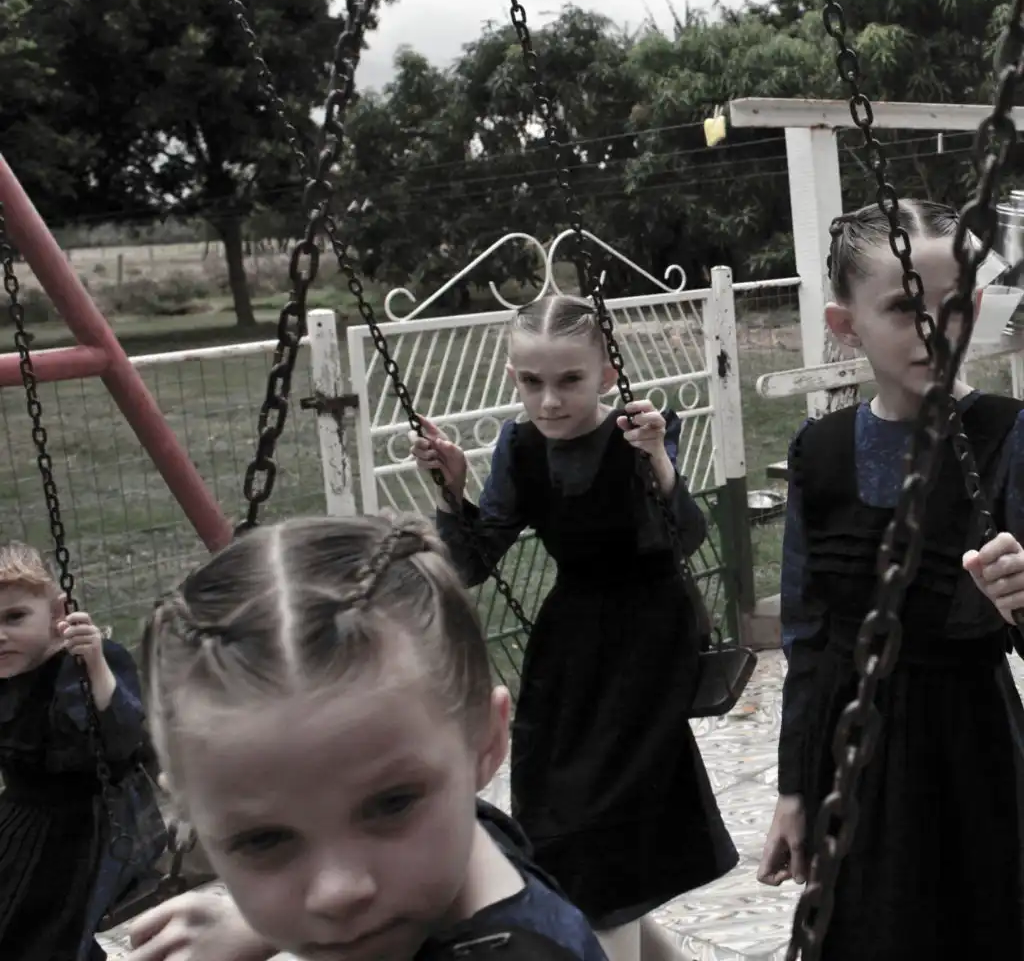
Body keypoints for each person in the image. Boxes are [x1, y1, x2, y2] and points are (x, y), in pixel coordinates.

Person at [411, 294, 738, 961]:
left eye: (569, 380)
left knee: (608, 822)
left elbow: (682, 537)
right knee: (560, 818)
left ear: (607, 376)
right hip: (571, 646)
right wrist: (451, 488)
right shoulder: (520, 447)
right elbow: (473, 562)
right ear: (514, 378)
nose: (551, 400)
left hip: (649, 637)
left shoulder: (639, 433)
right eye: (532, 382)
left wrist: (659, 460)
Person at [125, 513, 610, 961]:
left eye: (392, 804)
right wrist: (255, 929)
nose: (338, 892)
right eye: (263, 840)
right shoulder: (461, 833)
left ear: (486, 742)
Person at [757, 199, 1024, 959]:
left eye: (952, 304)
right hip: (852, 757)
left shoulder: (1008, 434)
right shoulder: (820, 451)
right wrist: (793, 789)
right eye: (905, 308)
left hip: (969, 751)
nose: (933, 328)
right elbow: (806, 636)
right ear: (847, 327)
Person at [0, 540, 161, 961]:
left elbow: (122, 740)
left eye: (14, 617)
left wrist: (95, 666)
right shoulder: (5, 676)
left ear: (59, 612)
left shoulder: (84, 666)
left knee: (58, 930)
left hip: (93, 823)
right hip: (24, 818)